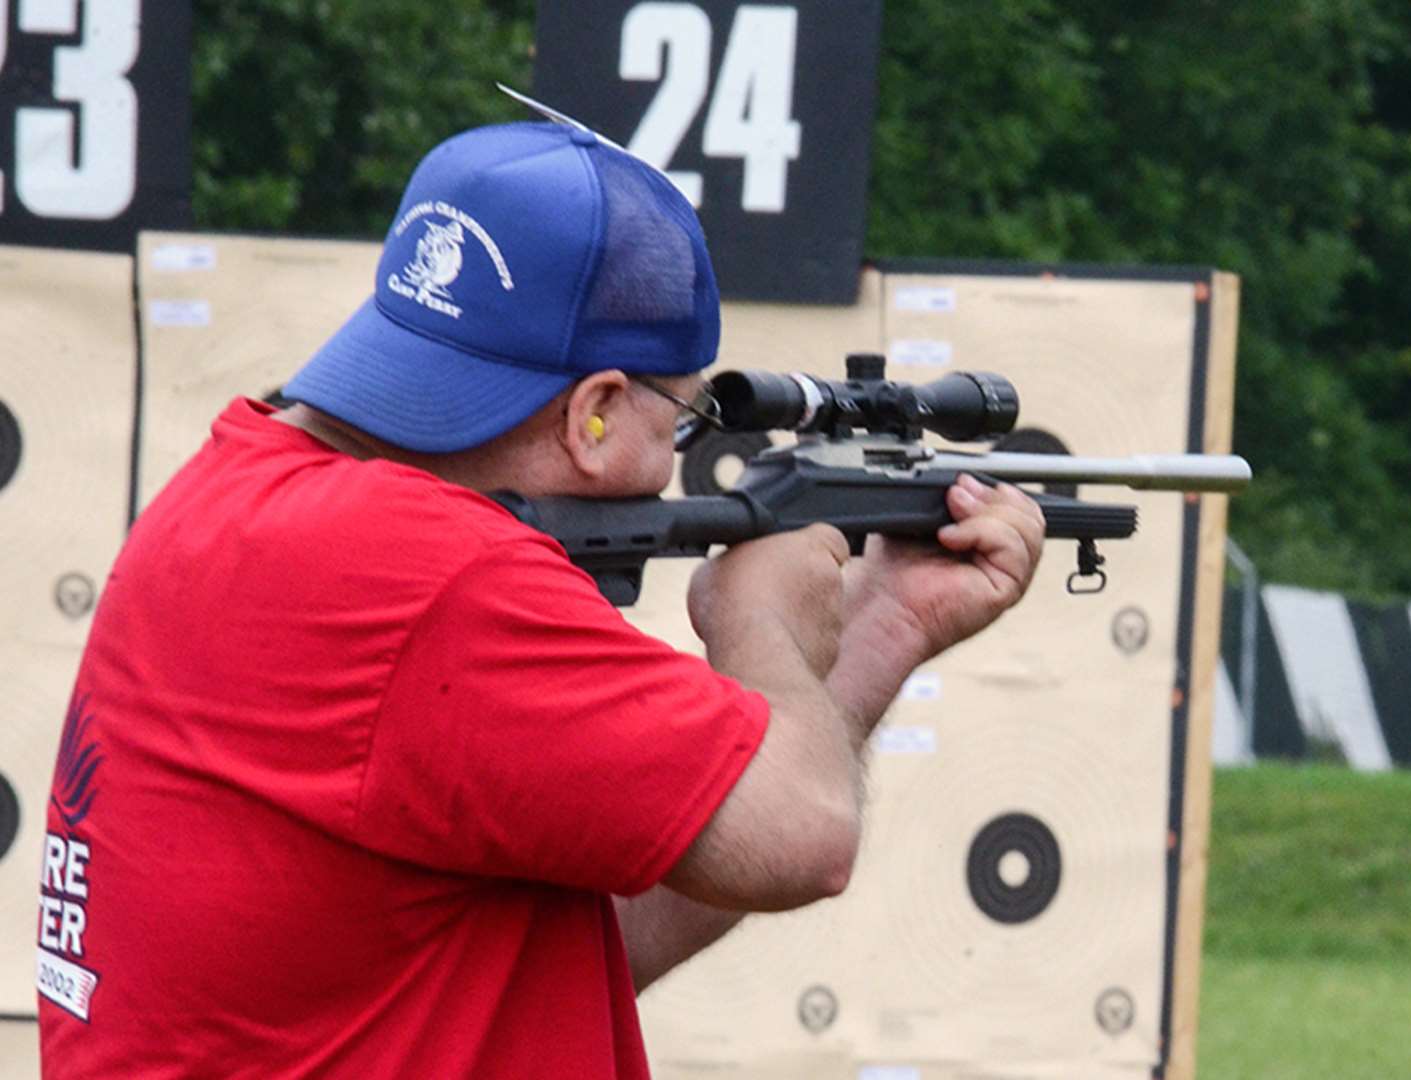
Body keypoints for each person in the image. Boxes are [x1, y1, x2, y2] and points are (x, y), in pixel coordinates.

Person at [36, 121, 1044, 1076]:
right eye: (683, 414)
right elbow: (805, 837)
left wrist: (882, 625)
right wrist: (762, 618)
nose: (677, 456)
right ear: (596, 412)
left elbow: (601, 936)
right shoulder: (435, 572)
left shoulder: (244, 486)